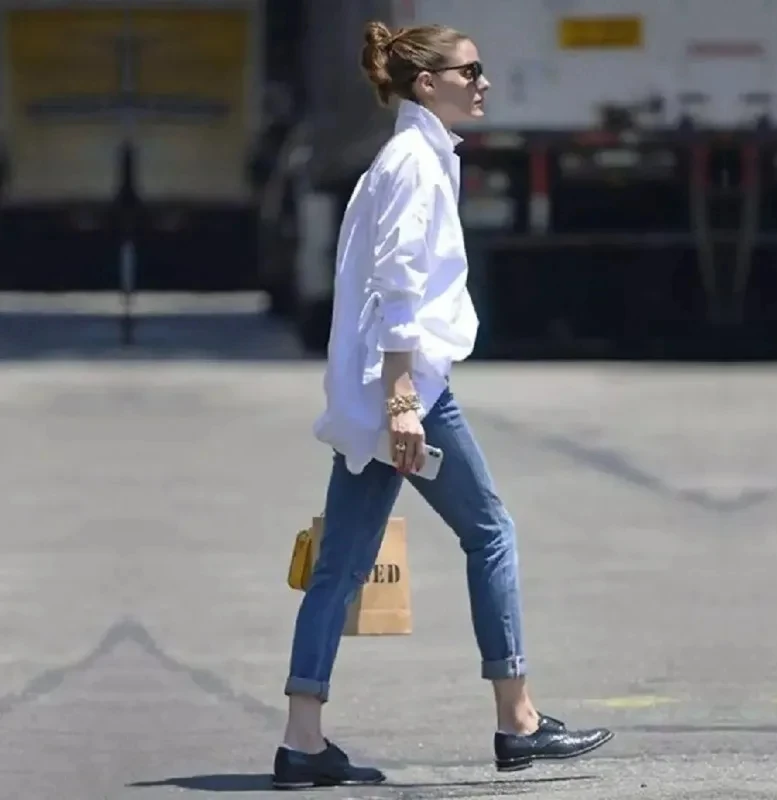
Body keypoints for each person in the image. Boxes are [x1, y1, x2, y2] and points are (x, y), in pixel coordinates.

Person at [272, 19, 614, 790]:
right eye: (470, 72)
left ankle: (301, 740)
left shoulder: (409, 159)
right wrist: (401, 401)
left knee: (340, 567)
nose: (483, 82)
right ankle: (518, 722)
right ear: (427, 85)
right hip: (410, 391)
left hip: (380, 391)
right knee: (490, 532)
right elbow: (395, 286)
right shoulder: (413, 165)